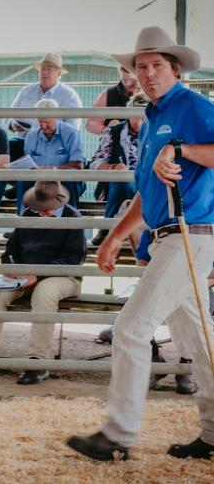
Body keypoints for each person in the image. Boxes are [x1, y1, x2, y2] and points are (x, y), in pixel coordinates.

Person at [67, 26, 214, 461]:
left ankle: (119, 434)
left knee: (131, 329)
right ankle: (212, 434)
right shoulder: (150, 118)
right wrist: (114, 235)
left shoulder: (193, 107)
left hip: (192, 233)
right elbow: (145, 191)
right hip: (170, 235)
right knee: (199, 343)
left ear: (175, 70)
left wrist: (181, 149)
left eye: (157, 66)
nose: (148, 73)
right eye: (141, 67)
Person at [0, 181, 86, 384]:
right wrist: (11, 267)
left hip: (62, 276)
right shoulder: (28, 215)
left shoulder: (74, 218)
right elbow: (11, 251)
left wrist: (38, 275)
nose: (42, 212)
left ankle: (38, 361)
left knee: (44, 293)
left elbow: (73, 259)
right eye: (40, 207)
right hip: (24, 276)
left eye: (46, 208)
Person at [95, 228, 198, 395]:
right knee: (135, 313)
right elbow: (142, 263)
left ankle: (188, 365)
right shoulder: (152, 230)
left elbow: (209, 274)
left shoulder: (203, 229)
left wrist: (177, 285)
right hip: (160, 282)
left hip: (195, 285)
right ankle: (152, 358)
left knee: (196, 315)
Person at [88, 92, 149, 246]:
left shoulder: (154, 132)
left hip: (146, 182)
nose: (140, 123)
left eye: (144, 118)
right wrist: (112, 167)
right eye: (136, 117)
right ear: (128, 113)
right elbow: (95, 162)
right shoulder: (113, 131)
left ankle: (135, 231)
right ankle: (108, 229)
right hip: (119, 184)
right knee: (123, 181)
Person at [7, 53, 82, 161]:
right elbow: (9, 115)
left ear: (59, 73)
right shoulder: (27, 90)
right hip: (23, 140)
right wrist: (12, 124)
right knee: (7, 146)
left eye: (49, 69)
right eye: (42, 69)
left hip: (53, 143)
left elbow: (72, 129)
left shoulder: (70, 95)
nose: (44, 72)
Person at [16, 99, 86, 213]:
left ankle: (70, 221)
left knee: (71, 180)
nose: (43, 126)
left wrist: (53, 170)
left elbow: (78, 164)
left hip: (63, 177)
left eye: (47, 122)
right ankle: (23, 220)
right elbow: (28, 162)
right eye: (40, 121)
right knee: (22, 180)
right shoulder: (31, 136)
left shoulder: (70, 132)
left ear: (56, 117)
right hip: (38, 178)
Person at [86, 67, 140, 136]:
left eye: (132, 80)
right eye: (125, 80)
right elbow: (91, 124)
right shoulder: (109, 93)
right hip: (115, 142)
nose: (128, 84)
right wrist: (108, 130)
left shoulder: (149, 94)